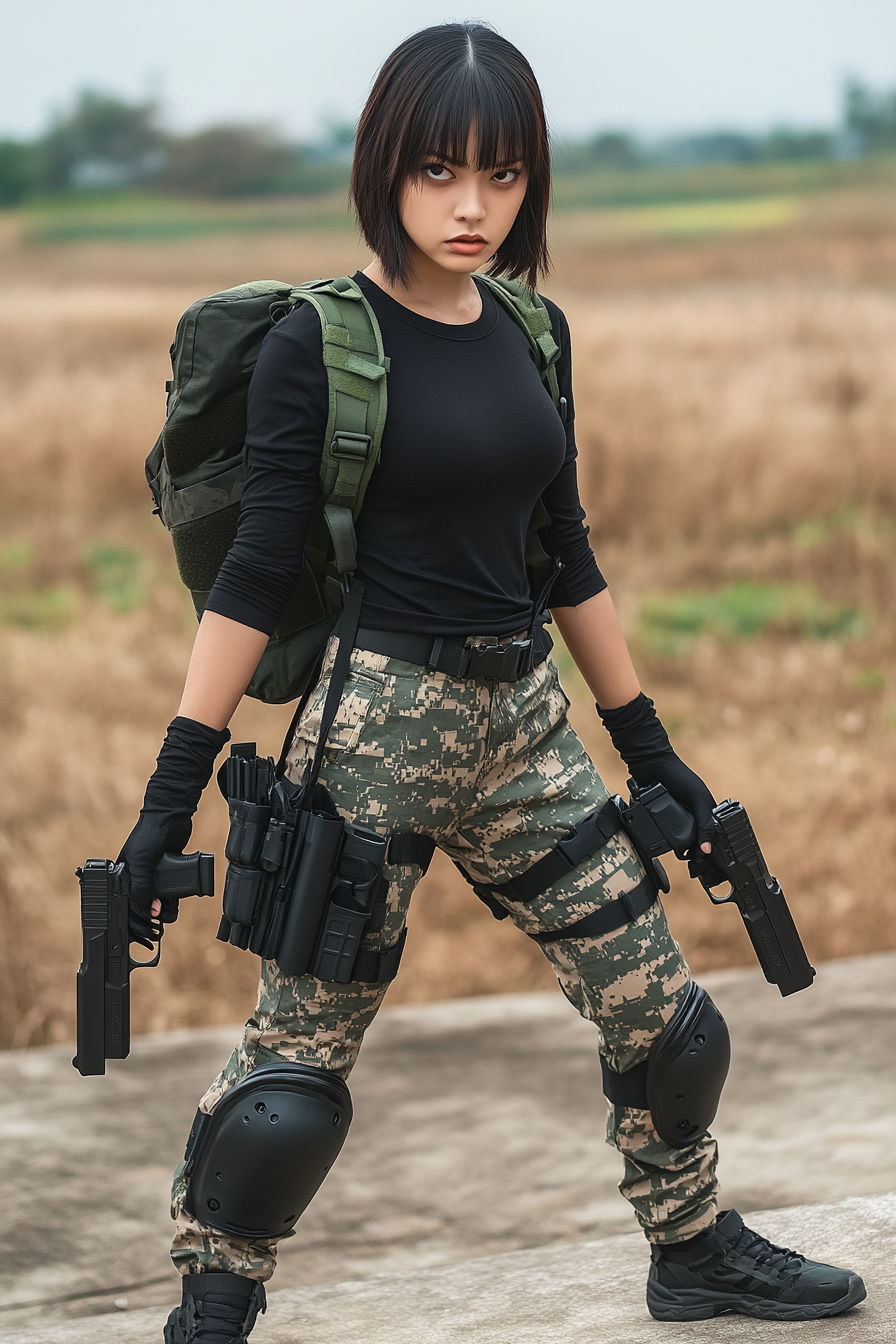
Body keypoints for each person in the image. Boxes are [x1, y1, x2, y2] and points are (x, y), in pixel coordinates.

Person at [119, 23, 866, 1343]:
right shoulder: (320, 340)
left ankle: (689, 1249)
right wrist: (171, 790)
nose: (473, 207)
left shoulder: (533, 328)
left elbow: (565, 552)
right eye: (440, 170)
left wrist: (650, 750)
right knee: (297, 1067)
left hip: (526, 722)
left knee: (666, 1015)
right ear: (383, 171)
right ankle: (214, 1301)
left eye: (505, 175)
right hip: (375, 734)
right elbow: (249, 573)